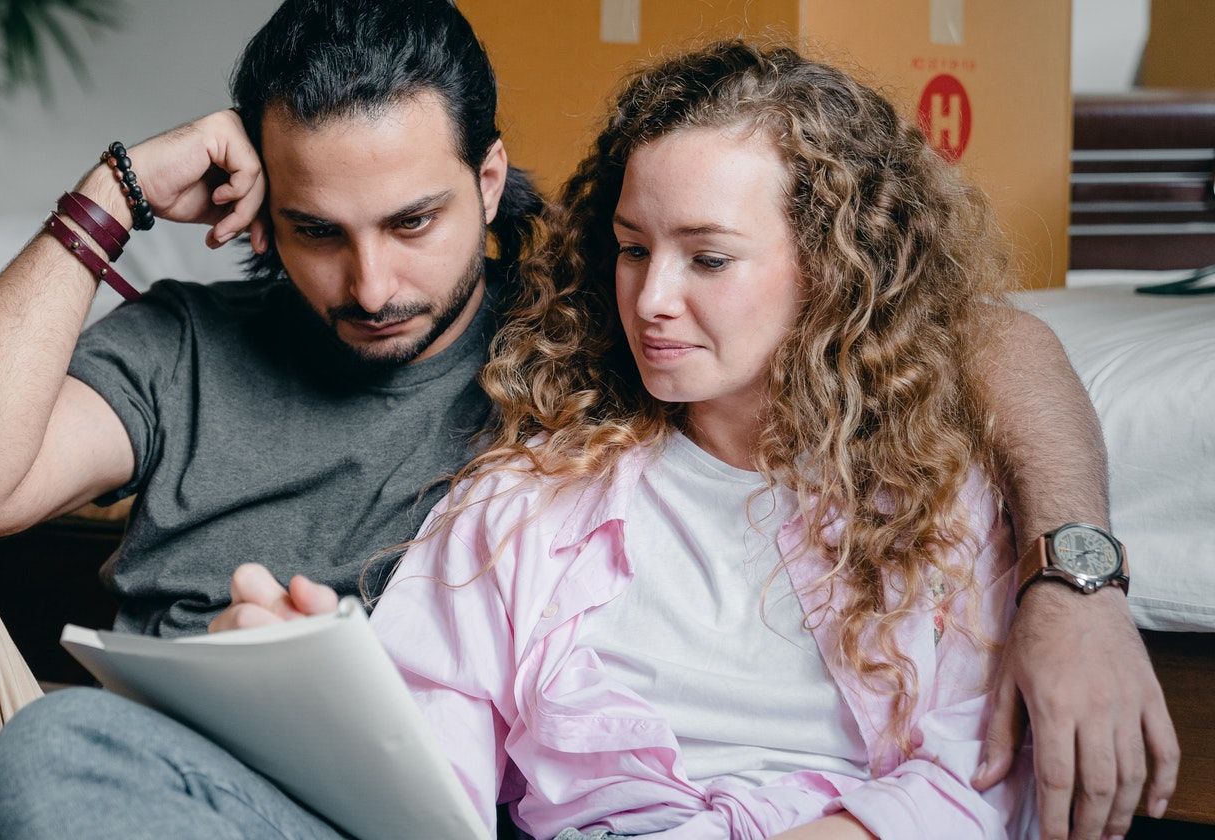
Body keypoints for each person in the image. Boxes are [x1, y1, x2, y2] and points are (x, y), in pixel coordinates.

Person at [0, 3, 1170, 840]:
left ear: (492, 186)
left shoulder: (593, 314)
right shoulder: (209, 339)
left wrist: (1079, 575)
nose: (371, 281)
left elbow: (967, 327)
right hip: (109, 786)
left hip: (359, 810)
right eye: (315, 228)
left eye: (415, 221)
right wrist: (111, 200)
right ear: (257, 208)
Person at [367, 40, 1049, 839]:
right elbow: (415, 765)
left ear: (835, 267)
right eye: (633, 249)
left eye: (709, 258)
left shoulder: (943, 501)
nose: (652, 297)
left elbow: (983, 781)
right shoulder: (523, 504)